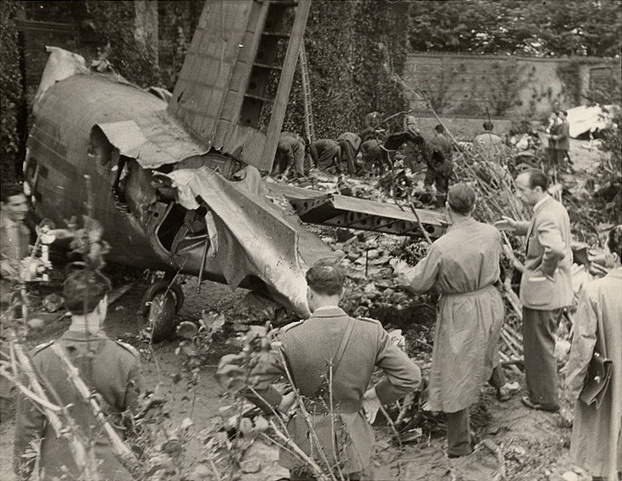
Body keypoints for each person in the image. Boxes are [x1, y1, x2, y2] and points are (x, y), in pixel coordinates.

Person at [232, 259, 421, 480]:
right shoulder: (371, 332)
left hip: (306, 443)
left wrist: (280, 402)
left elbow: (245, 379)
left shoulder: (290, 336)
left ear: (309, 293)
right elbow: (410, 376)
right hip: (354, 445)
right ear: (342, 293)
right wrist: (376, 396)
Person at [393, 183, 519, 458]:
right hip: (490, 301)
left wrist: (401, 272)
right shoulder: (492, 232)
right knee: (486, 343)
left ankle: (459, 445)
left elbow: (419, 283)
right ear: (474, 206)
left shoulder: (442, 246)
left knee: (455, 371)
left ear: (447, 206)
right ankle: (502, 387)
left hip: (462, 310)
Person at [14, 269, 143, 481]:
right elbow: (139, 427)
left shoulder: (39, 360)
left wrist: (23, 473)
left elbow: (28, 429)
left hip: (59, 474)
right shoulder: (125, 358)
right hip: (111, 473)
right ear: (102, 304)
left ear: (68, 306)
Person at [495, 168, 573, 412]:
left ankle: (545, 399)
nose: (518, 195)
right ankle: (545, 393)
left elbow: (556, 249)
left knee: (539, 348)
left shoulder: (546, 215)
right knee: (542, 344)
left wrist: (544, 271)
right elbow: (541, 230)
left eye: (521, 190)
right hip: (554, 291)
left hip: (543, 293)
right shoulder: (552, 208)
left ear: (537, 190)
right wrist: (518, 227)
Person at [564, 225, 621, 481]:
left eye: (606, 249)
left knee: (601, 453)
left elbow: (583, 346)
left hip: (608, 387)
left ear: (615, 256)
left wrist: (573, 386)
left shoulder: (595, 290)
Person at [424, 125, 454, 206]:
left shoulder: (434, 140)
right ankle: (439, 204)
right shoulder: (447, 141)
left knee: (427, 183)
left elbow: (428, 152)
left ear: (436, 131)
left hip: (434, 164)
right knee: (440, 186)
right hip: (444, 166)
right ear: (443, 131)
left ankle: (431, 199)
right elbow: (450, 155)